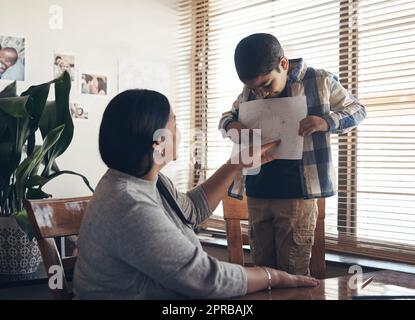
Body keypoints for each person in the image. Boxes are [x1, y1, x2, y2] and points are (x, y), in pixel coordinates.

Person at [73, 89, 319, 299]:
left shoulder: (146, 181)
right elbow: (206, 278)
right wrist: (272, 275)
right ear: (158, 143)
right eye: (175, 124)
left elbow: (190, 210)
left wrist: (236, 164)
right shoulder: (129, 205)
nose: (180, 133)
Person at [218, 33, 366, 275]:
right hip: (256, 193)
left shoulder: (320, 81)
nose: (261, 93)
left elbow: (358, 110)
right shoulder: (250, 90)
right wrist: (231, 126)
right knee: (262, 271)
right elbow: (226, 116)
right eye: (253, 88)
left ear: (283, 64)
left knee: (292, 270)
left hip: (297, 194)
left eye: (266, 85)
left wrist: (326, 122)